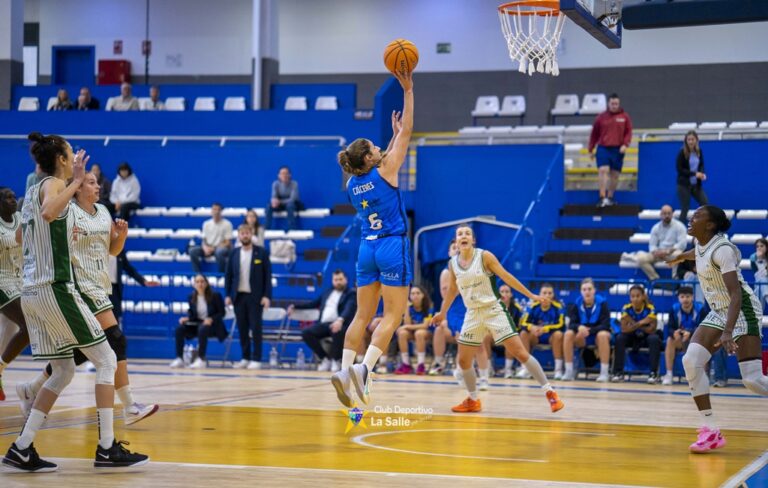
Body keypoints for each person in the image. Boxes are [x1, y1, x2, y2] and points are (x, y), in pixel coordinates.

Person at [1, 132, 147, 472]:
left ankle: (22, 447)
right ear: (63, 161)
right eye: (71, 156)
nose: (76, 162)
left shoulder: (34, 190)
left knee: (65, 369)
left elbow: (25, 235)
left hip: (33, 291)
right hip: (54, 287)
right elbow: (51, 211)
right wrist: (76, 182)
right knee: (108, 358)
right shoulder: (52, 185)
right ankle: (108, 448)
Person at [17, 171, 158, 425]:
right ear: (77, 188)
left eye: (96, 183)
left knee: (86, 351)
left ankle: (32, 388)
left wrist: (121, 237)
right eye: (91, 183)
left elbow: (112, 251)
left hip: (100, 287)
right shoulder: (68, 212)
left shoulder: (103, 212)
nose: (97, 187)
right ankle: (129, 407)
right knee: (116, 340)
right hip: (77, 286)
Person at [329, 70, 414, 408]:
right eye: (376, 148)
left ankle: (344, 369)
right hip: (392, 244)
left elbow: (385, 161)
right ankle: (365, 369)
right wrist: (408, 89)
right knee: (394, 315)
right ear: (368, 158)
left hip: (367, 248)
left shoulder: (351, 184)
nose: (381, 149)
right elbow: (407, 131)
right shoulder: (386, 170)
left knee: (361, 317)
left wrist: (390, 142)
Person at [431, 225, 564, 413]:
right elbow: (452, 290)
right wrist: (442, 312)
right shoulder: (453, 264)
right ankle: (473, 399)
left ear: (473, 240)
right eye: (460, 234)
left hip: (493, 310)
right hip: (473, 314)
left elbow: (506, 277)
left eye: (467, 233)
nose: (464, 236)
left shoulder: (485, 256)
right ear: (456, 241)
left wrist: (531, 296)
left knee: (520, 353)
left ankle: (550, 392)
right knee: (463, 361)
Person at [667, 205, 768, 453]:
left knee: (753, 380)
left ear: (710, 225)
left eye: (698, 216)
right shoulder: (703, 244)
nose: (691, 218)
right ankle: (711, 431)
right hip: (719, 310)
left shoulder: (723, 250)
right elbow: (698, 253)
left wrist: (727, 332)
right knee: (691, 361)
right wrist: (681, 256)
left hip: (742, 310)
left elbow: (735, 295)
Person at [224, 224, 271, 370]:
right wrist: (227, 295)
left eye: (247, 233)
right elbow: (228, 276)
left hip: (255, 297)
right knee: (242, 328)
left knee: (256, 328)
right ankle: (245, 357)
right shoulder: (234, 253)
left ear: (251, 234)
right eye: (242, 233)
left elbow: (267, 277)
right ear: (238, 235)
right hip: (238, 296)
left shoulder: (261, 253)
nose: (244, 235)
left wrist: (267, 296)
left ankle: (256, 359)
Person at [290, 269, 356, 373]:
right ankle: (325, 359)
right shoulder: (327, 292)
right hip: (324, 324)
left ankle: (336, 360)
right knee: (306, 332)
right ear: (332, 281)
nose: (338, 282)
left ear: (346, 280)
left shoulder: (351, 293)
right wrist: (295, 306)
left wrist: (340, 320)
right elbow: (313, 303)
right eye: (335, 280)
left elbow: (348, 309)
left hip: (340, 323)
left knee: (337, 330)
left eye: (340, 279)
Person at [170, 274, 227, 369]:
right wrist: (187, 318)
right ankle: (179, 358)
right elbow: (193, 315)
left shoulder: (215, 296)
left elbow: (222, 313)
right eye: (197, 282)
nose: (200, 284)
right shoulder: (191, 297)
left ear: (206, 283)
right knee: (179, 329)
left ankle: (201, 359)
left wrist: (211, 319)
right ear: (194, 284)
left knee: (203, 329)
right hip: (197, 325)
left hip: (213, 326)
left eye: (202, 281)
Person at [562, 277, 612, 382]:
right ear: (581, 291)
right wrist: (579, 327)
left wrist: (589, 331)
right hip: (582, 337)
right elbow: (572, 324)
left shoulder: (602, 304)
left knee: (603, 335)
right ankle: (569, 371)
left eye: (589, 289)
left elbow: (606, 325)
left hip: (597, 335)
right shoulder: (576, 304)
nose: (587, 292)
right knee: (568, 334)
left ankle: (604, 373)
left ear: (594, 290)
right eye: (584, 290)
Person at [588, 93, 632, 208]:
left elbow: (628, 132)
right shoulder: (601, 118)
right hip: (603, 148)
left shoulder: (625, 117)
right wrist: (590, 149)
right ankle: (602, 197)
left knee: (615, 175)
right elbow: (594, 134)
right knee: (603, 170)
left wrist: (625, 144)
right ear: (608, 104)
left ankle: (610, 197)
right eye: (612, 103)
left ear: (619, 104)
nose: (614, 106)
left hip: (618, 149)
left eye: (616, 103)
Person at [0, 188, 23, 401]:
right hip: (2, 281)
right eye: (7, 197)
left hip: (20, 281)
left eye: (14, 196)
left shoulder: (19, 218)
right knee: (27, 325)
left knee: (8, 331)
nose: (13, 199)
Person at [624, 205, 687, 281]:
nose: (667, 215)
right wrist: (657, 252)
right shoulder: (656, 227)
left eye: (669, 213)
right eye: (664, 213)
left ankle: (675, 278)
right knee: (641, 259)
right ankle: (655, 279)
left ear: (672, 214)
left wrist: (668, 251)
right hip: (658, 254)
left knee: (679, 255)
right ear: (661, 215)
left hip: (671, 253)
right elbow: (652, 245)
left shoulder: (680, 226)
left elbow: (682, 244)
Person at [613, 285, 661, 383]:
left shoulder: (651, 308)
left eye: (638, 296)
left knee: (654, 338)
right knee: (620, 338)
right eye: (632, 296)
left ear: (643, 296)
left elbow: (652, 329)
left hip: (646, 337)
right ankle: (618, 372)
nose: (635, 299)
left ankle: (654, 374)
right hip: (631, 336)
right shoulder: (626, 308)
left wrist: (633, 324)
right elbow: (624, 329)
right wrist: (642, 323)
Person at [518, 283, 565, 380]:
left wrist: (545, 328)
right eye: (544, 293)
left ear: (553, 295)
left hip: (550, 337)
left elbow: (561, 325)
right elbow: (523, 323)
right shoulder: (533, 307)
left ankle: (558, 370)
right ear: (539, 294)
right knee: (523, 333)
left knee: (558, 334)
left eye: (549, 293)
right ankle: (525, 368)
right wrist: (532, 327)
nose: (547, 296)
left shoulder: (558, 307)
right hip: (536, 336)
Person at [662, 286, 706, 386]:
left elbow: (704, 328)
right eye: (682, 297)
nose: (685, 299)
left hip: (696, 339)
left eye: (687, 296)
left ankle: (698, 376)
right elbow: (669, 328)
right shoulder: (674, 309)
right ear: (678, 298)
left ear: (692, 297)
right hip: (681, 339)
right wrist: (674, 333)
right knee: (670, 340)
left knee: (701, 343)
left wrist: (690, 333)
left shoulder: (700, 309)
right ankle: (669, 374)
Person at [394, 285, 434, 375]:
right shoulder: (410, 307)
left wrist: (406, 327)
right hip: (414, 332)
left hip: (428, 333)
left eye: (418, 293)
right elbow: (407, 324)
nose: (415, 295)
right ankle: (406, 364)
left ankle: (421, 365)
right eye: (412, 294)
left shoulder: (429, 306)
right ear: (410, 296)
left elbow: (425, 326)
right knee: (402, 333)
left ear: (423, 295)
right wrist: (406, 308)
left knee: (419, 333)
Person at [485, 283, 523, 379]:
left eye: (507, 292)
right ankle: (488, 368)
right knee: (485, 336)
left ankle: (508, 369)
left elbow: (518, 328)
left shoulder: (517, 309)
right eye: (502, 292)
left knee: (510, 337)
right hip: (495, 336)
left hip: (509, 336)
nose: (504, 294)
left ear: (511, 294)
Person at [189, 203, 233, 273]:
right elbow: (204, 239)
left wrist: (214, 248)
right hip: (208, 247)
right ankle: (197, 274)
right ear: (211, 211)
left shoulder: (227, 224)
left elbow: (228, 242)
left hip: (220, 248)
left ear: (221, 211)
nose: (216, 212)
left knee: (219, 252)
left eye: (218, 210)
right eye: (214, 209)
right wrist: (205, 248)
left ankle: (222, 275)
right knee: (192, 251)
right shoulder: (206, 223)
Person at [676, 131, 708, 223]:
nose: (690, 142)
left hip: (696, 185)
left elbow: (701, 164)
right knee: (685, 208)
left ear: (696, 140)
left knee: (705, 203)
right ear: (686, 141)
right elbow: (680, 169)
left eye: (692, 139)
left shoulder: (699, 151)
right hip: (683, 185)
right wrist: (694, 174)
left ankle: (701, 226)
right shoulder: (682, 153)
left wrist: (702, 173)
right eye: (688, 139)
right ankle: (680, 229)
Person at [265, 166, 303, 231]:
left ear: (290, 175)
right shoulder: (275, 184)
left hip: (292, 204)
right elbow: (274, 196)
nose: (284, 175)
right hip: (280, 204)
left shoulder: (294, 184)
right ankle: (266, 228)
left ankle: (292, 228)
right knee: (269, 206)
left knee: (290, 205)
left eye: (286, 173)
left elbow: (293, 199)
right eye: (282, 173)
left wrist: (279, 201)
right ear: (279, 175)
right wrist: (274, 201)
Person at [750, 238, 768, 305]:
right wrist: (759, 259)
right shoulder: (753, 258)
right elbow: (758, 273)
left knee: (762, 281)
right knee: (761, 280)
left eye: (762, 246)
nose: (759, 248)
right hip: (759, 283)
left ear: (767, 247)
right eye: (757, 246)